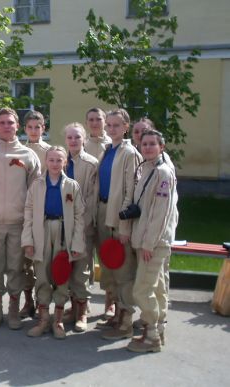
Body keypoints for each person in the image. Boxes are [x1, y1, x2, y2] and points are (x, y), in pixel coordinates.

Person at [0, 108, 40, 330]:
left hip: (18, 223)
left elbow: (35, 192)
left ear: (18, 125)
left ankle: (14, 310)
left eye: (10, 122)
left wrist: (31, 223)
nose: (6, 126)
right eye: (2, 122)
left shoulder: (29, 155)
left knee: (16, 269)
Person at [22, 146, 85, 339]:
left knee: (61, 275)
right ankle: (43, 320)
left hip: (64, 232)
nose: (55, 164)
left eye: (59, 160)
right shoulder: (37, 185)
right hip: (41, 231)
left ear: (65, 162)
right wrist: (28, 240)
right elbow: (29, 213)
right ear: (46, 161)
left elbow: (79, 216)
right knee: (42, 275)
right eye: (51, 160)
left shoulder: (72, 186)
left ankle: (57, 320)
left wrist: (76, 244)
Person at [127, 129, 177, 353]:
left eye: (152, 144)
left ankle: (151, 337)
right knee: (154, 288)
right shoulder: (146, 168)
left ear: (161, 147)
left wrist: (149, 243)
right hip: (145, 239)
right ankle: (157, 331)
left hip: (154, 243)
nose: (147, 147)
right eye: (144, 144)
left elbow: (161, 214)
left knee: (141, 290)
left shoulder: (163, 172)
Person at [95, 108, 142, 341]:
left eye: (116, 125)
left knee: (124, 271)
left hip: (118, 218)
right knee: (110, 266)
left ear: (126, 127)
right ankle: (116, 316)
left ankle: (126, 322)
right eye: (109, 125)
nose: (111, 129)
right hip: (103, 213)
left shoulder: (129, 153)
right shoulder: (108, 150)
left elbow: (130, 191)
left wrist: (124, 226)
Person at [63, 122, 98, 332]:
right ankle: (72, 306)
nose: (74, 141)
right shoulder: (60, 161)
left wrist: (82, 226)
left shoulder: (91, 164)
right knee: (66, 268)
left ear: (84, 139)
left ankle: (83, 311)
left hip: (82, 225)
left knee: (81, 270)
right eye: (70, 137)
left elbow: (92, 199)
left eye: (77, 137)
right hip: (61, 225)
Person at [19, 110, 50, 318]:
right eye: (29, 127)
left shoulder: (50, 152)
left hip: (44, 212)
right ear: (24, 129)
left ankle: (43, 302)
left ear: (43, 128)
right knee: (24, 261)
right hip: (23, 210)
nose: (33, 131)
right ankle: (27, 300)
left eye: (37, 127)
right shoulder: (19, 150)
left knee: (42, 260)